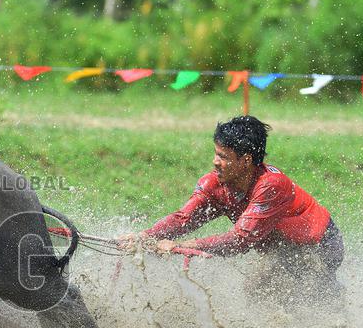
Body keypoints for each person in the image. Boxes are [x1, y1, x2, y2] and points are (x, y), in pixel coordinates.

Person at [121, 116, 344, 303]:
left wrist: (180, 246)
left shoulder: (271, 186)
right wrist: (144, 237)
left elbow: (240, 241)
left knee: (288, 295)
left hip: (320, 245)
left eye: (223, 156)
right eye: (216, 153)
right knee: (259, 291)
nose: (214, 161)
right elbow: (183, 219)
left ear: (246, 161)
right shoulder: (213, 184)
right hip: (281, 250)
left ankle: (329, 318)